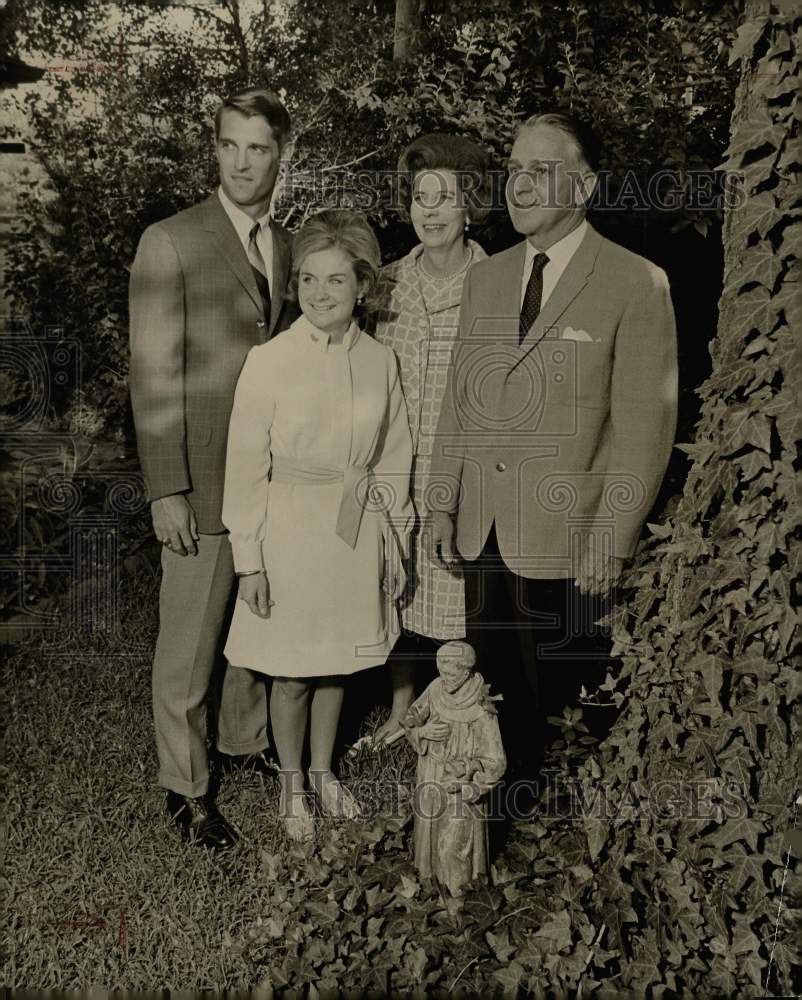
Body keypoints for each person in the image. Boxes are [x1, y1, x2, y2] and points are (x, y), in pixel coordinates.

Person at [428, 111, 678, 780]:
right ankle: (495, 817)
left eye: (542, 171)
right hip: (482, 528)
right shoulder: (486, 277)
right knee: (495, 698)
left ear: (586, 186)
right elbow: (460, 400)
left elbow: (643, 425)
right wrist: (441, 503)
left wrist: (613, 534)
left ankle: (569, 841)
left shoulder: (635, 282)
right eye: (514, 171)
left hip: (570, 538)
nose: (522, 186)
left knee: (570, 709)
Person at [129, 87, 298, 850]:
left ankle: (242, 741)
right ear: (214, 150)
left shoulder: (286, 242)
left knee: (252, 624)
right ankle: (186, 787)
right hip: (199, 477)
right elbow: (153, 374)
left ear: (278, 156)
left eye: (257, 147)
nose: (241, 162)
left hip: (267, 475)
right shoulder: (170, 240)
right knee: (190, 643)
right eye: (229, 145)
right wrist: (167, 488)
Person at [222, 209, 414, 842]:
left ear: (362, 285)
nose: (320, 294)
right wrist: (249, 559)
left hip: (355, 528)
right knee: (292, 668)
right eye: (308, 280)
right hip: (289, 529)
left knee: (337, 662)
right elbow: (246, 465)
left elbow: (393, 453)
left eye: (335, 281)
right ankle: (291, 785)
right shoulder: (270, 361)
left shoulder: (381, 361)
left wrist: (396, 535)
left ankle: (325, 772)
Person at [366, 133, 491, 743]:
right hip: (392, 470)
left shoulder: (498, 281)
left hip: (463, 472)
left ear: (471, 204)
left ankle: (459, 712)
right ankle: (399, 709)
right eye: (421, 197)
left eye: (446, 197)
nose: (431, 210)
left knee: (455, 599)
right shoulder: (385, 284)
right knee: (395, 591)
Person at [402, 640, 506, 896]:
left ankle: (458, 900)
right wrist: (422, 731)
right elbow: (410, 717)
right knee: (428, 837)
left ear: (466, 671)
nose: (444, 677)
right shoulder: (436, 689)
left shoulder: (482, 707)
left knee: (454, 846)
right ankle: (429, 884)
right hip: (430, 774)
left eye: (450, 673)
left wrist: (468, 777)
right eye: (441, 671)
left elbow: (497, 761)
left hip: (459, 787)